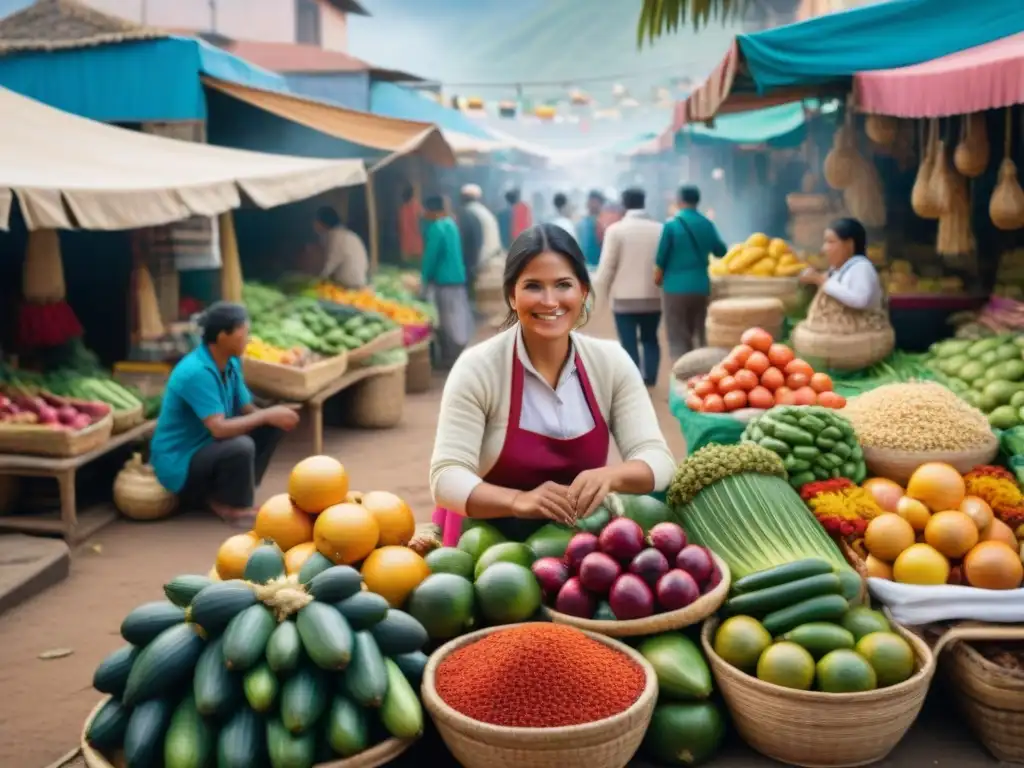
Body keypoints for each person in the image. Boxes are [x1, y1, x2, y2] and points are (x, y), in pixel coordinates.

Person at [428, 223, 676, 545]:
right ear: (511, 296)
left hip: (575, 550)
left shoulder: (610, 362)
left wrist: (610, 476)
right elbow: (446, 477)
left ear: (583, 292)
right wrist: (519, 501)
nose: (549, 301)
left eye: (563, 285)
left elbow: (659, 461)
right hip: (485, 553)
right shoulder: (478, 368)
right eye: (533, 286)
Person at [150, 303, 300, 525]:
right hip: (180, 460)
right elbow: (218, 429)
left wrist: (274, 416)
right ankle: (232, 506)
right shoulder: (196, 372)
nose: (248, 339)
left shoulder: (230, 361)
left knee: (270, 426)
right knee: (241, 445)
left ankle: (233, 493)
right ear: (222, 336)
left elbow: (248, 409)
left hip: (207, 446)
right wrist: (267, 415)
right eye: (243, 334)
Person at [594, 188, 664, 387]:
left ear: (624, 204)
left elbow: (607, 267)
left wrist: (601, 293)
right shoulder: (660, 229)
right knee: (651, 338)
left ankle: (633, 381)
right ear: (644, 202)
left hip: (623, 299)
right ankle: (650, 379)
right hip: (653, 296)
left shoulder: (615, 230)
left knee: (628, 342)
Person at [655, 185, 728, 361]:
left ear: (679, 201)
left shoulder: (671, 225)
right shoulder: (707, 224)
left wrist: (657, 278)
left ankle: (681, 371)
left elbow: (661, 258)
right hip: (700, 286)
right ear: (697, 201)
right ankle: (701, 372)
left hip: (674, 288)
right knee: (699, 331)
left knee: (677, 333)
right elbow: (721, 251)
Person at [799, 217, 887, 323]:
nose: (824, 248)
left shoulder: (862, 268)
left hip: (860, 335)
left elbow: (861, 300)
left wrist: (821, 280)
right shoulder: (842, 269)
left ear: (849, 245)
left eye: (830, 242)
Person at [422, 195, 475, 367]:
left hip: (444, 281)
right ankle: (460, 351)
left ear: (431, 211)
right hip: (458, 278)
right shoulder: (451, 224)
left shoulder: (437, 228)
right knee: (458, 315)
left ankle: (451, 358)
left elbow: (431, 257)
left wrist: (424, 277)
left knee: (447, 319)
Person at [315, 206, 369, 289]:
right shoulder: (347, 234)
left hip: (349, 284)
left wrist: (316, 280)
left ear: (321, 223)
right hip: (360, 280)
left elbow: (331, 262)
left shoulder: (335, 235)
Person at [461, 184, 503, 265]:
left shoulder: (468, 212)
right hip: (494, 259)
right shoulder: (484, 211)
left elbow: (470, 243)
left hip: (483, 264)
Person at [576, 189, 605, 269]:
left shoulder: (604, 223)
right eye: (591, 201)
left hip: (600, 268)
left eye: (595, 202)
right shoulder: (581, 223)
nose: (592, 205)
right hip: (584, 268)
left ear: (601, 204)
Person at [397, 185, 423, 262]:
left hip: (408, 236)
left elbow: (402, 225)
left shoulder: (403, 208)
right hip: (415, 236)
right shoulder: (416, 206)